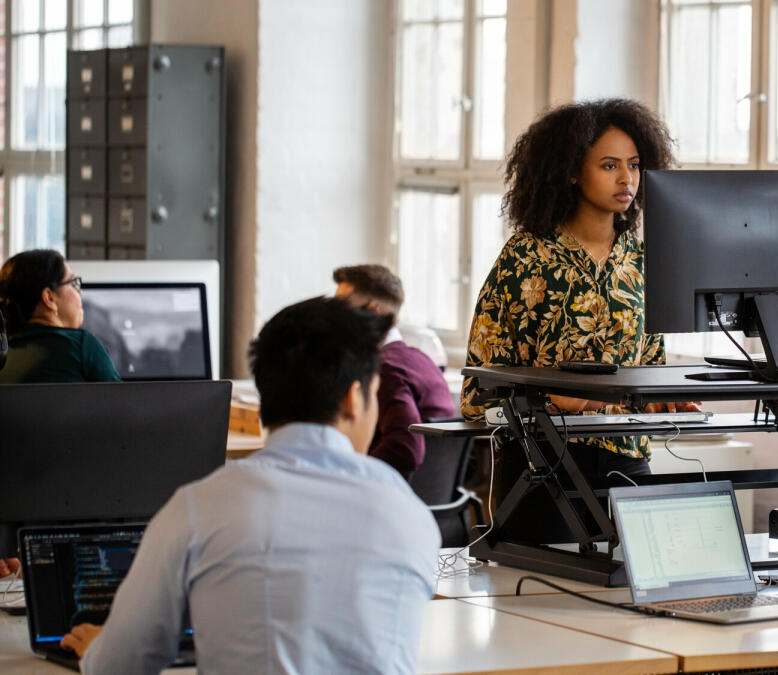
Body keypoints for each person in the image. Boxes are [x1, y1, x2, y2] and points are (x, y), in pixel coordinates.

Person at [59, 297, 440, 675]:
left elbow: (121, 665)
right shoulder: (408, 515)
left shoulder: (197, 507)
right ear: (354, 398)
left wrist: (97, 650)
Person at [460, 99, 698, 541]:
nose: (626, 178)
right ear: (571, 171)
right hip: (541, 467)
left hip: (626, 461)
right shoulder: (526, 257)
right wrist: (552, 399)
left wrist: (661, 399)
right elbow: (479, 393)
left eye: (634, 165)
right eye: (609, 165)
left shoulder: (643, 261)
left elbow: (649, 369)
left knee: (629, 599)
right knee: (536, 601)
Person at [333, 264, 456, 478]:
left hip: (389, 499)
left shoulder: (386, 370)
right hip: (435, 499)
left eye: (341, 308)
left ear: (372, 312)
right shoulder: (422, 360)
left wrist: (353, 476)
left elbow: (405, 448)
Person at [0, 249, 119, 383]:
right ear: (49, 298)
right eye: (73, 283)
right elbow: (123, 402)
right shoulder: (80, 346)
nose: (79, 291)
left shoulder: (4, 352)